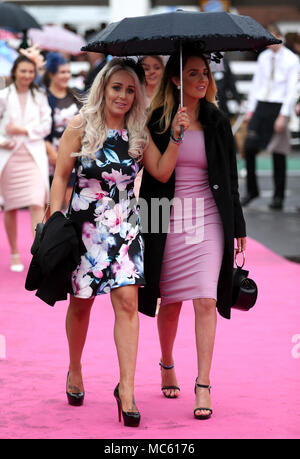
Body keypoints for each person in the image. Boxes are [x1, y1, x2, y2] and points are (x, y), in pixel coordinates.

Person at [49, 57, 189, 427]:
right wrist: (51, 222)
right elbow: (61, 175)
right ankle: (75, 369)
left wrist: (176, 135)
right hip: (84, 228)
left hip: (125, 226)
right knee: (81, 304)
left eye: (131, 90)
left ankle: (126, 389)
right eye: (117, 88)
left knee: (127, 301)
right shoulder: (81, 124)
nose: (124, 96)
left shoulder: (138, 130)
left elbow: (160, 171)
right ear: (103, 88)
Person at [138, 48, 247, 420]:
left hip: (208, 219)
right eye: (194, 73)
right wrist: (176, 135)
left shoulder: (217, 121)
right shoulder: (156, 120)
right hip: (165, 218)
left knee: (205, 299)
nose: (203, 80)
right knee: (169, 302)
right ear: (175, 79)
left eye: (205, 73)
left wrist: (239, 226)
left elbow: (231, 178)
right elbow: (156, 177)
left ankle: (203, 384)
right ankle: (167, 362)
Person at [0, 49, 51, 272]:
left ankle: (38, 252)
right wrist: (2, 139)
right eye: (23, 71)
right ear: (15, 71)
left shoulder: (39, 95)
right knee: (10, 206)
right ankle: (13, 251)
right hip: (10, 157)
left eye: (31, 71)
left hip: (33, 156)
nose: (27, 75)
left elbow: (45, 126)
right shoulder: (4, 95)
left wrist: (21, 130)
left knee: (36, 202)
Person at [241, 24, 299, 210]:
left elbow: (291, 89)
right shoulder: (264, 58)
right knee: (249, 147)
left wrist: (284, 115)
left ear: (278, 36)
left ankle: (278, 196)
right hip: (261, 104)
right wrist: (250, 111)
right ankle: (252, 190)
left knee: (278, 152)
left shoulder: (291, 59)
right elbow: (257, 83)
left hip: (278, 105)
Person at [43, 52, 81, 206]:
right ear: (51, 74)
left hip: (74, 152)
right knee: (51, 204)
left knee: (71, 202)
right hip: (49, 154)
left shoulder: (76, 95)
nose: (67, 75)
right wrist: (52, 154)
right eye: (62, 72)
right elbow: (40, 131)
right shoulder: (43, 97)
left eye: (68, 71)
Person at [134, 55, 165, 199]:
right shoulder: (132, 98)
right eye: (146, 68)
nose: (151, 72)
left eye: (156, 68)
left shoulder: (171, 99)